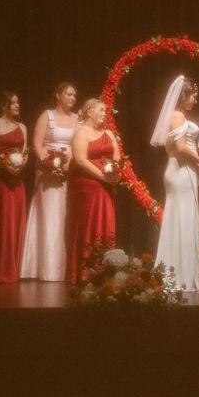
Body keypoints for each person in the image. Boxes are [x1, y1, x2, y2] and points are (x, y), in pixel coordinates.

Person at [152, 77, 199, 291]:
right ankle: (180, 273)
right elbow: (181, 147)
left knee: (179, 218)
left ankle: (179, 269)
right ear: (183, 96)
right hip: (181, 170)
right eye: (193, 96)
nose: (195, 101)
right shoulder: (178, 116)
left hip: (180, 170)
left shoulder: (175, 116)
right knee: (183, 219)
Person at [21, 82, 77, 281]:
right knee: (50, 215)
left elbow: (78, 145)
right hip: (48, 170)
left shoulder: (77, 119)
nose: (72, 98)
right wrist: (51, 163)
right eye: (69, 94)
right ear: (58, 95)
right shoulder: (46, 115)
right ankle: (47, 269)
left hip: (70, 170)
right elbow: (37, 144)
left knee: (65, 217)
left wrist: (69, 164)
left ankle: (64, 268)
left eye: (74, 95)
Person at [66, 98, 121, 281]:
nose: (105, 114)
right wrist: (103, 177)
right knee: (90, 216)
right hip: (86, 184)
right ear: (89, 111)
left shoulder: (109, 134)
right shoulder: (81, 132)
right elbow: (81, 160)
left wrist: (116, 175)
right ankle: (85, 270)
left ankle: (104, 268)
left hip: (106, 184)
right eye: (101, 110)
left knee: (105, 217)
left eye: (106, 111)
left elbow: (117, 159)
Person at [0, 91, 29, 283]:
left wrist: (20, 165)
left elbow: (24, 153)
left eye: (18, 102)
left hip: (17, 180)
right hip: (2, 181)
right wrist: (7, 166)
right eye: (13, 103)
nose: (17, 105)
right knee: (3, 220)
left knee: (16, 221)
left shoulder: (22, 127)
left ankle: (14, 268)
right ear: (4, 106)